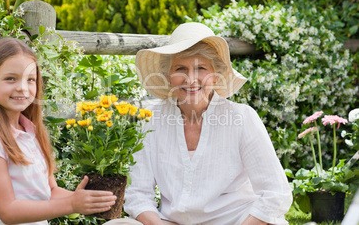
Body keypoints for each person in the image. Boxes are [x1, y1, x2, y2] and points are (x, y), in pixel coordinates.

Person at [105, 22, 292, 225]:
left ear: (216, 74)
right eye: (181, 68)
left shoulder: (243, 118)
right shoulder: (151, 119)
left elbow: (276, 194)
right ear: (169, 76)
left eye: (200, 68)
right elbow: (138, 195)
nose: (191, 79)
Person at [0, 38, 117, 224]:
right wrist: (71, 205)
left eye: (30, 80)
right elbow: (8, 211)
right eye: (10, 78)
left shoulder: (31, 131)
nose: (22, 87)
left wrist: (86, 200)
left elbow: (50, 191)